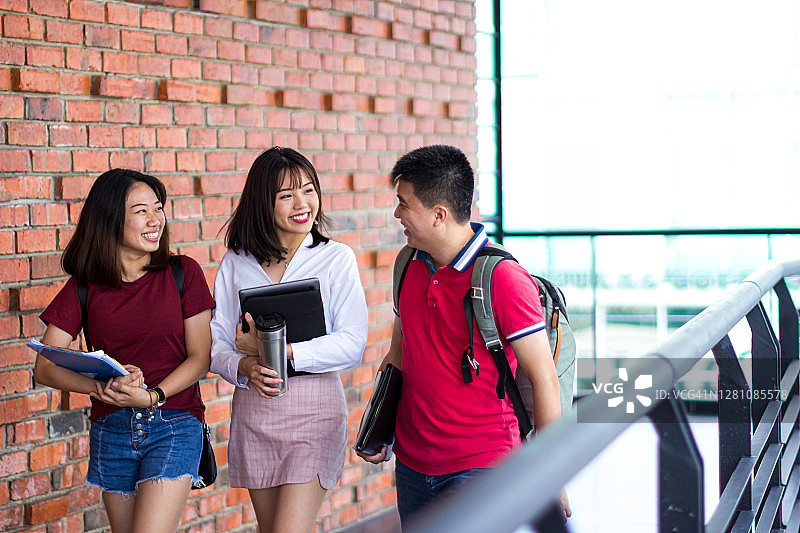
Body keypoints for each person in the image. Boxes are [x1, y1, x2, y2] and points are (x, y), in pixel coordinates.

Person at [356, 145, 570, 528]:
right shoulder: (407, 264)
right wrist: (380, 428)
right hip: (412, 466)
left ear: (439, 215)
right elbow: (398, 355)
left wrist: (551, 474)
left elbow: (544, 377)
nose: (396, 214)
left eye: (404, 204)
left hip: (483, 466)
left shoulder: (503, 279)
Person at [33, 169, 215, 533]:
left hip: (173, 422)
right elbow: (45, 367)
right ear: (111, 219)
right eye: (141, 211)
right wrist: (102, 388)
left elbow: (201, 358)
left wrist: (151, 395)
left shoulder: (183, 273)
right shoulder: (84, 287)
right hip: (111, 429)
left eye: (158, 208)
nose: (155, 220)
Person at [210, 146, 368, 533]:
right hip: (255, 411)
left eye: (309, 190)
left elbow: (352, 343)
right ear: (263, 204)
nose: (303, 204)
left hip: (315, 413)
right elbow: (216, 347)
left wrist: (279, 351)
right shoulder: (237, 262)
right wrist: (246, 364)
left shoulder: (336, 258)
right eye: (286, 195)